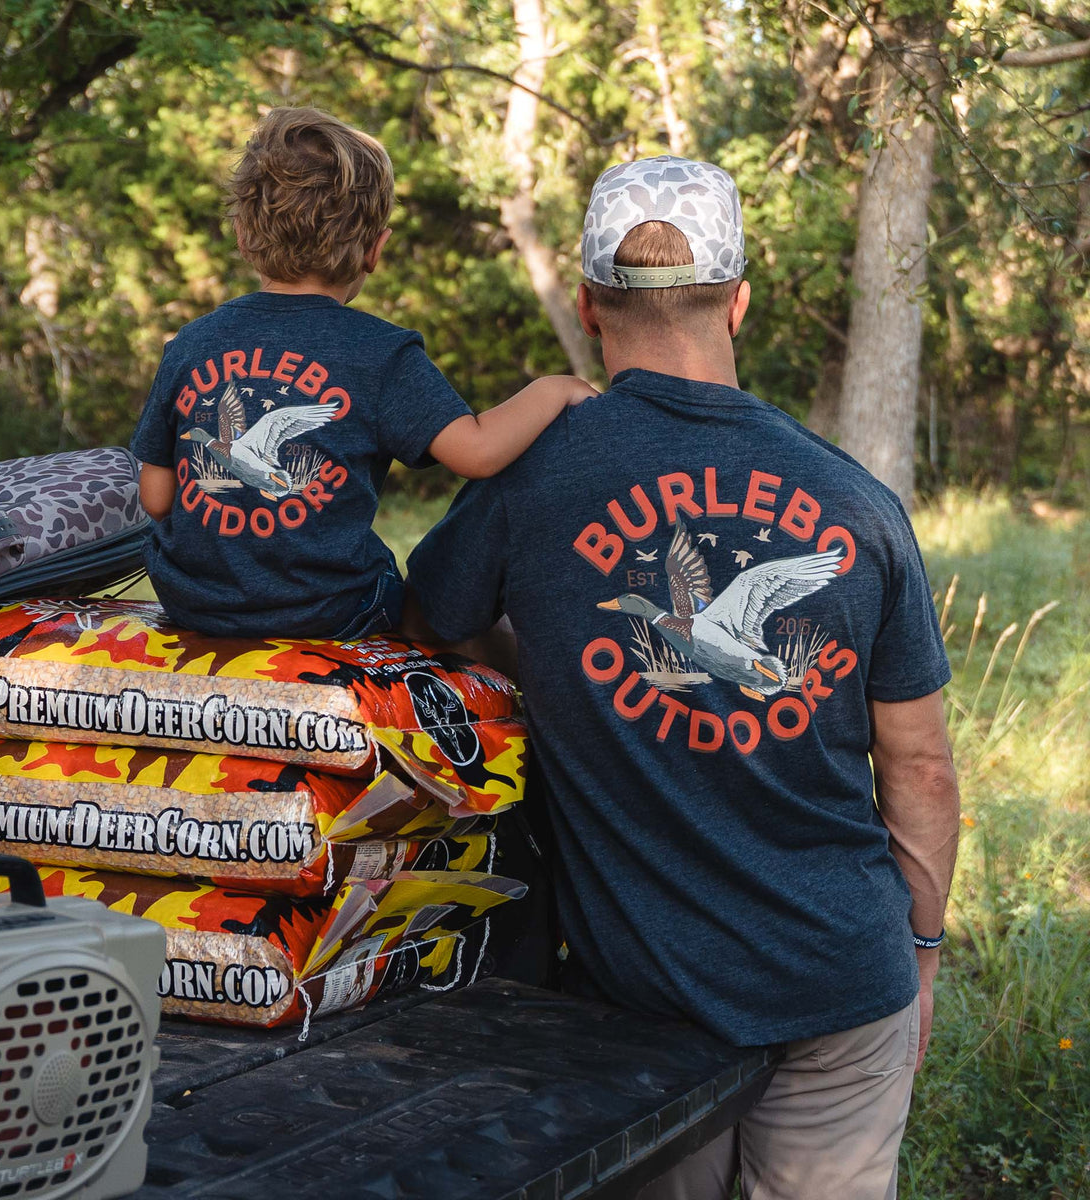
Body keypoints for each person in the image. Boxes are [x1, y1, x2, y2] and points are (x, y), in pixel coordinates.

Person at [403, 156, 961, 1199]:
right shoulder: (858, 500)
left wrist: (551, 672)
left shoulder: (531, 479)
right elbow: (919, 767)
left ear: (588, 306)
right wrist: (921, 950)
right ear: (738, 301)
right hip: (842, 985)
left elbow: (428, 623)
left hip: (643, 1006)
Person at [131, 106, 593, 640]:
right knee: (428, 599)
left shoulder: (191, 343)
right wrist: (555, 388)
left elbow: (156, 499)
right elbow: (478, 452)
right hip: (329, 611)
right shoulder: (382, 353)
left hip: (194, 605)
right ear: (376, 249)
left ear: (241, 235)